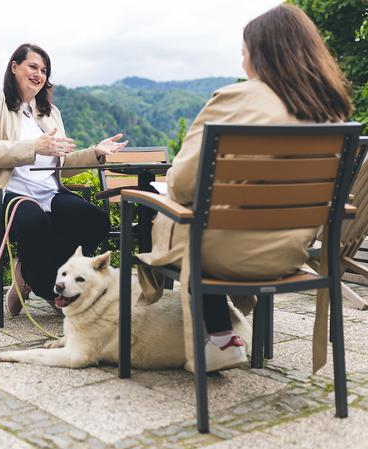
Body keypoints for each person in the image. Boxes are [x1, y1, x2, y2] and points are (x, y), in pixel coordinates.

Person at [137, 3, 353, 372]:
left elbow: (185, 183)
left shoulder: (236, 98)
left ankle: (219, 338)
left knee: (182, 222)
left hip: (224, 255)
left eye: (244, 53)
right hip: (291, 253)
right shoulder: (331, 112)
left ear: (262, 55)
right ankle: (224, 332)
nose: (243, 63)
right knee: (212, 224)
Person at [0, 43, 127, 315]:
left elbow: (61, 166)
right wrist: (33, 147)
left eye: (44, 70)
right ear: (14, 67)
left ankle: (28, 276)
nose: (39, 74)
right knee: (34, 220)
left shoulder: (50, 113)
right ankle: (44, 286)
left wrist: (95, 153)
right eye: (33, 67)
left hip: (49, 194)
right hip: (6, 194)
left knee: (94, 219)